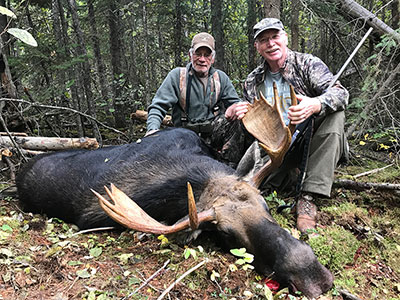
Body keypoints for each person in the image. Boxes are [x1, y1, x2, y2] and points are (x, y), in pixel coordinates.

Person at [241, 18, 349, 233]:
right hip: (277, 147)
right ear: (257, 47)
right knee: (251, 186)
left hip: (312, 139)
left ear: (285, 38)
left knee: (335, 115)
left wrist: (315, 104)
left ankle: (308, 197)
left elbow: (340, 93)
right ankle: (286, 178)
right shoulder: (252, 81)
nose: (270, 44)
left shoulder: (308, 64)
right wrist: (241, 113)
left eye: (274, 37)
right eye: (263, 40)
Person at [146, 32, 249, 165]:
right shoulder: (177, 76)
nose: (202, 59)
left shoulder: (220, 78)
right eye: (198, 54)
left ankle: (231, 166)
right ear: (190, 55)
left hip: (213, 135)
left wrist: (234, 109)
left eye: (207, 55)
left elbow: (236, 105)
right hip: (183, 135)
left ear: (212, 58)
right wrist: (152, 130)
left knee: (239, 122)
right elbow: (158, 106)